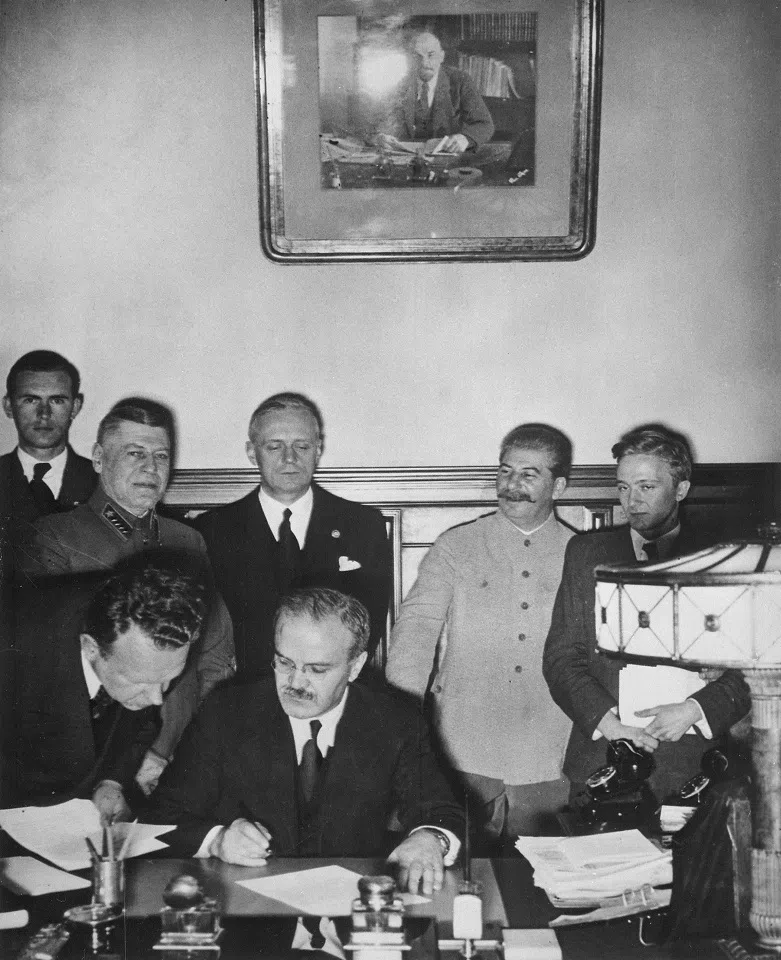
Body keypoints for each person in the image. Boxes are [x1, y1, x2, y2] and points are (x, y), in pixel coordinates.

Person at [152, 587, 462, 896]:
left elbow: (439, 807)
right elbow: (163, 815)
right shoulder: (226, 711)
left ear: (355, 667)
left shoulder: (393, 720)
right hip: (250, 911)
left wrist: (430, 838)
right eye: (284, 663)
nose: (295, 683)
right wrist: (217, 840)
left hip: (350, 909)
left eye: (316, 669)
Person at [20, 398, 235, 793]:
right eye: (135, 453)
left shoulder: (188, 541)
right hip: (83, 766)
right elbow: (49, 671)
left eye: (161, 455)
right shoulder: (55, 537)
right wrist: (116, 767)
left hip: (172, 758)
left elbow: (215, 660)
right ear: (99, 459)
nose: (150, 468)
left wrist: (164, 749)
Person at [543, 426, 751, 802]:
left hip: (697, 764)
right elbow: (561, 659)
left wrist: (696, 709)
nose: (631, 500)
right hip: (602, 760)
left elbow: (758, 667)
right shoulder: (585, 553)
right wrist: (610, 725)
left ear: (681, 490)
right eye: (623, 487)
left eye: (646, 487)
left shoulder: (725, 556)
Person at [387, 424, 575, 837]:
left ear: (558, 486)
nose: (512, 485)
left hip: (550, 747)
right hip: (464, 745)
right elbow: (416, 631)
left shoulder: (579, 554)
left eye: (529, 475)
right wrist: (398, 715)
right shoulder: (456, 546)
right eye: (505, 472)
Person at [195, 393, 391, 680]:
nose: (290, 458)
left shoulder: (363, 526)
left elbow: (368, 628)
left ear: (318, 450)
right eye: (275, 447)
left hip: (334, 696)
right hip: (242, 700)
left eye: (302, 446)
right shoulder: (212, 531)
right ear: (252, 453)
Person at [4, 563, 205, 823]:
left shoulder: (160, 641)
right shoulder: (17, 647)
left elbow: (134, 721)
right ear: (90, 648)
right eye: (140, 682)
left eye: (167, 681)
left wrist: (111, 781)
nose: (157, 698)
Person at [1, 351, 96, 574]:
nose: (44, 414)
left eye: (57, 400)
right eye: (30, 399)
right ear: (8, 406)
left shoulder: (103, 483)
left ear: (74, 407)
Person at [377, 31, 494, 154]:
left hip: (447, 158)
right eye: (418, 57)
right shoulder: (398, 82)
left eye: (431, 55)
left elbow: (485, 124)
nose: (424, 63)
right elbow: (373, 123)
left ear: (441, 56)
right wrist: (378, 137)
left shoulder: (460, 81)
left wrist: (466, 138)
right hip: (404, 158)